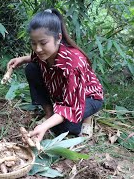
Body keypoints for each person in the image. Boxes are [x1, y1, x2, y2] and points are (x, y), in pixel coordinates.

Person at [7, 8, 104, 142]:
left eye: (43, 43)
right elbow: (35, 57)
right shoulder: (43, 52)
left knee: (67, 129)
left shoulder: (73, 64)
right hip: (64, 94)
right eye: (33, 43)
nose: (38, 49)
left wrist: (44, 126)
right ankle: (49, 113)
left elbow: (70, 106)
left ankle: (88, 117)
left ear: (58, 38)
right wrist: (22, 59)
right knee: (31, 69)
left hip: (87, 97)